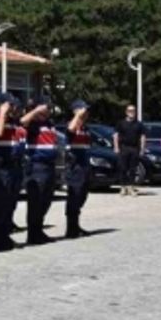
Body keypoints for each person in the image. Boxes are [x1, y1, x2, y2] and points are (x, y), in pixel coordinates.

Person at [22, 99, 58, 245]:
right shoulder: (32, 124)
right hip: (37, 166)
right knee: (36, 202)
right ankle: (32, 234)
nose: (48, 111)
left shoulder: (50, 124)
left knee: (46, 200)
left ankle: (38, 229)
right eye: (46, 109)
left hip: (50, 166)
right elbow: (22, 121)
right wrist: (36, 111)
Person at [0, 95, 22, 252]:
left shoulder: (14, 122)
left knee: (10, 204)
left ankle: (5, 235)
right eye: (11, 105)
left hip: (15, 167)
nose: (14, 108)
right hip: (2, 168)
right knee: (0, 205)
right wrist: (2, 113)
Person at [64, 100, 93, 239]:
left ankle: (76, 225)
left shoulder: (85, 128)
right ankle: (71, 228)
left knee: (82, 195)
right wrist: (77, 116)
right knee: (74, 196)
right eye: (83, 110)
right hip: (75, 167)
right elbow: (70, 130)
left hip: (84, 165)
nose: (86, 113)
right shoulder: (72, 125)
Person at [113, 104, 146, 196]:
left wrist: (142, 149)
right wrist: (116, 147)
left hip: (134, 148)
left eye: (133, 111)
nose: (132, 112)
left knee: (133, 169)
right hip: (124, 147)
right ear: (126, 112)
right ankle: (123, 188)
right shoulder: (121, 123)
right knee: (122, 168)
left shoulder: (139, 124)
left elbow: (143, 137)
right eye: (130, 111)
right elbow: (115, 135)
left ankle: (131, 188)